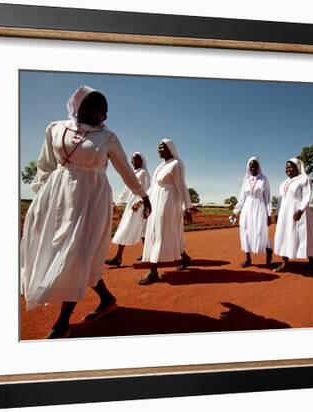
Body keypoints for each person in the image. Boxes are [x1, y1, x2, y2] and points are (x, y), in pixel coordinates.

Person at [20, 85, 152, 338]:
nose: (105, 116)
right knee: (64, 251)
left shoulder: (108, 138)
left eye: (106, 111)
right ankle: (106, 298)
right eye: (100, 109)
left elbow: (125, 170)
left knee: (78, 254)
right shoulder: (55, 129)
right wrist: (41, 198)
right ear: (80, 106)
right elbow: (45, 166)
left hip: (92, 199)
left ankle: (62, 323)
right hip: (58, 195)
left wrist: (143, 195)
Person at [139, 139, 194, 285]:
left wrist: (186, 207)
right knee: (160, 232)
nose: (159, 149)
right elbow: (154, 186)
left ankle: (153, 272)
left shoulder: (176, 164)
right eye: (158, 147)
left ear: (170, 149)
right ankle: (185, 257)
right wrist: (143, 200)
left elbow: (181, 186)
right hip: (156, 202)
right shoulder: (161, 166)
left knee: (160, 232)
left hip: (168, 203)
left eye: (162, 147)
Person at [273, 157, 313, 272]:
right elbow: (281, 200)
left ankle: (311, 260)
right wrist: (277, 212)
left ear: (297, 168)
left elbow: (306, 196)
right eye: (286, 167)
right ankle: (284, 263)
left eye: (290, 167)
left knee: (303, 235)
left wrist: (300, 210)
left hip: (299, 211)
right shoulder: (283, 183)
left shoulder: (304, 179)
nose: (288, 169)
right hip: (285, 213)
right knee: (284, 235)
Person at [105, 152, 151, 266]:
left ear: (141, 161)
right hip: (131, 204)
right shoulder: (133, 173)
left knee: (127, 228)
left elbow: (148, 189)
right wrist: (118, 202)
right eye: (132, 159)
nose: (133, 161)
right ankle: (148, 254)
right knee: (142, 230)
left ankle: (118, 257)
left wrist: (140, 203)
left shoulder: (144, 173)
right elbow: (126, 189)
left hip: (138, 205)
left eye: (136, 159)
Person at [230, 157, 273, 267]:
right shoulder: (246, 180)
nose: (253, 168)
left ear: (259, 167)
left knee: (261, 230)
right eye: (251, 166)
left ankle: (268, 250)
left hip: (260, 207)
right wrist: (236, 212)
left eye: (255, 166)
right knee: (245, 230)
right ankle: (248, 258)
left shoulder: (264, 179)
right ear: (248, 167)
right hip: (247, 208)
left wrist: (269, 214)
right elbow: (241, 198)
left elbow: (267, 198)